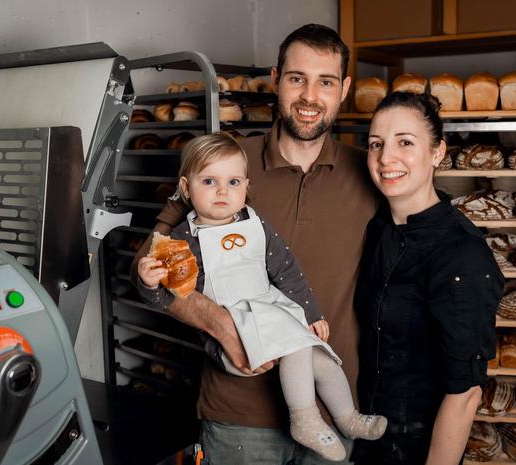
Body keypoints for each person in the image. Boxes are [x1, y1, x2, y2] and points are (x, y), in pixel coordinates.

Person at [131, 24, 379, 464]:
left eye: (325, 81)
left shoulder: (371, 172)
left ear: (343, 89)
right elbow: (152, 261)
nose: (309, 96)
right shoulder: (225, 164)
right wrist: (221, 325)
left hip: (334, 409)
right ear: (276, 80)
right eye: (297, 78)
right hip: (238, 413)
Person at [353, 92, 503, 465]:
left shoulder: (460, 252)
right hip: (367, 440)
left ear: (437, 152)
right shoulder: (379, 228)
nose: (386, 158)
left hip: (416, 450)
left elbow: (465, 393)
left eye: (405, 142)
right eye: (376, 144)